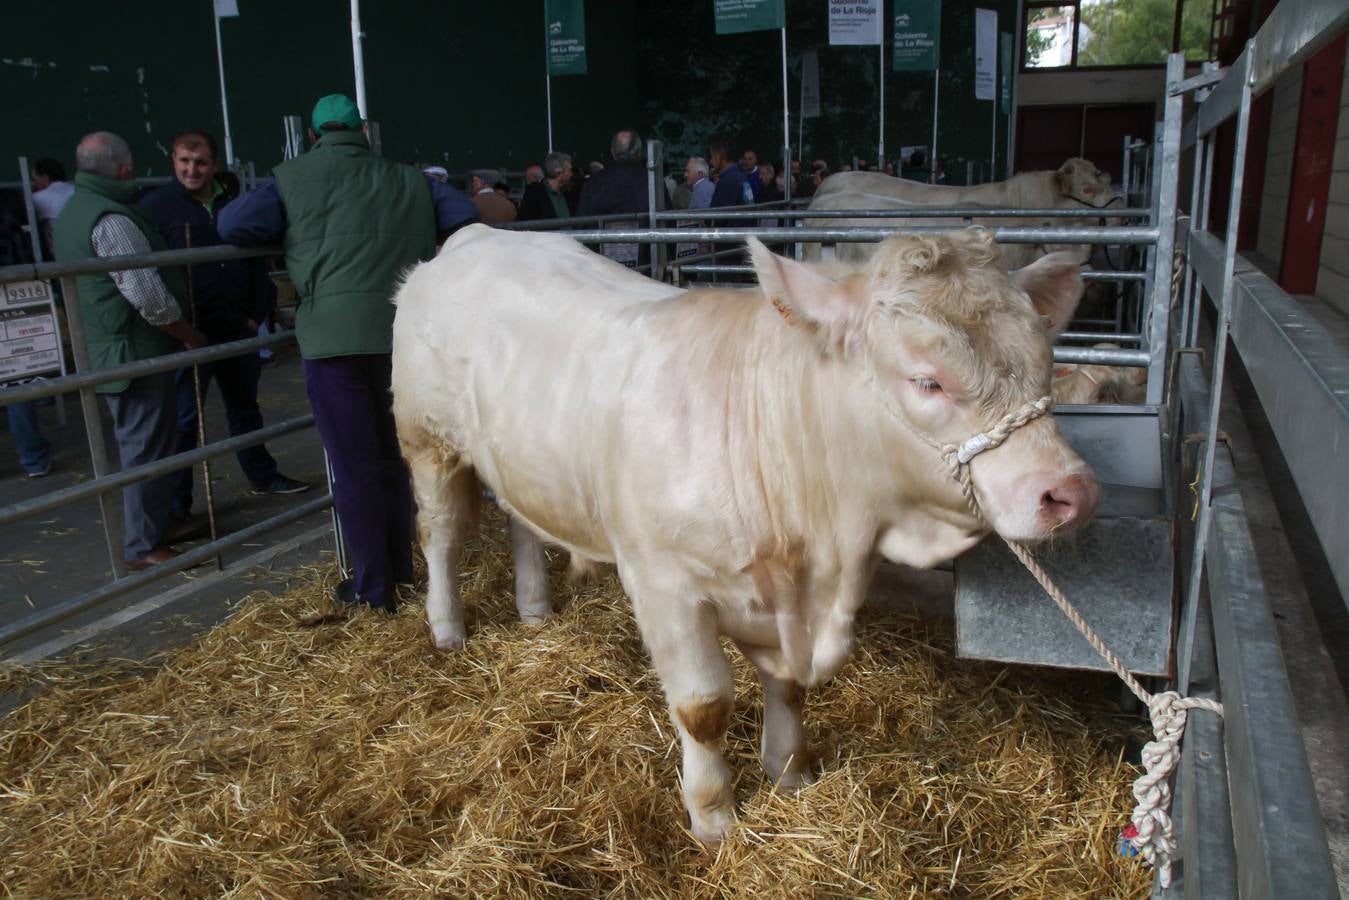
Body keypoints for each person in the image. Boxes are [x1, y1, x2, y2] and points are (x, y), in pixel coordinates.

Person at [217, 94, 478, 612]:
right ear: (364, 132)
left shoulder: (290, 180)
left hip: (333, 342)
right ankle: (403, 569)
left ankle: (373, 588)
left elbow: (231, 226)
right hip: (404, 336)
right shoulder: (409, 179)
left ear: (315, 135)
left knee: (355, 465)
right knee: (398, 456)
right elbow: (465, 214)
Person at [52, 132, 209, 570]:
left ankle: (157, 526)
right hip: (132, 353)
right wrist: (187, 334)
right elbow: (147, 295)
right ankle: (143, 545)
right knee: (144, 449)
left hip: (109, 348)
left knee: (149, 443)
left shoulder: (73, 213)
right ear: (123, 169)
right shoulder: (113, 219)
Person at [140, 129, 310, 526]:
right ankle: (178, 505)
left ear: (213, 164)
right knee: (185, 419)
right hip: (188, 334)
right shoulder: (158, 208)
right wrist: (175, 328)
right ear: (174, 162)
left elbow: (256, 261)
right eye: (184, 161)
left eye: (199, 162)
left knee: (245, 407)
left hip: (235, 326)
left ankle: (262, 475)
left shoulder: (234, 203)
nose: (191, 170)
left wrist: (255, 313)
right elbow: (149, 272)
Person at [0, 190, 51, 477]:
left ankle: (34, 456)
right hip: (11, 308)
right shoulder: (6, 214)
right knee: (16, 382)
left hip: (11, 307)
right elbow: (24, 260)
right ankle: (33, 458)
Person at [577, 129, 666, 268]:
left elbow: (581, 225)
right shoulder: (653, 181)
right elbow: (666, 219)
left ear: (613, 152)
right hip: (648, 267)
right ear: (638, 152)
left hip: (602, 268)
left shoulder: (593, 182)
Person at [30, 157, 75, 256]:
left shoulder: (37, 198)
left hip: (60, 256)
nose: (33, 184)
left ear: (45, 178)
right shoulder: (79, 191)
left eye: (34, 180)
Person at [517, 151, 573, 222]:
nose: (571, 174)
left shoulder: (567, 193)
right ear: (559, 172)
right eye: (569, 170)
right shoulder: (534, 194)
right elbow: (523, 221)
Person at [708, 135, 749, 208]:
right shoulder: (740, 175)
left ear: (718, 157)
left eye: (712, 156)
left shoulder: (728, 180)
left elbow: (718, 214)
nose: (711, 161)